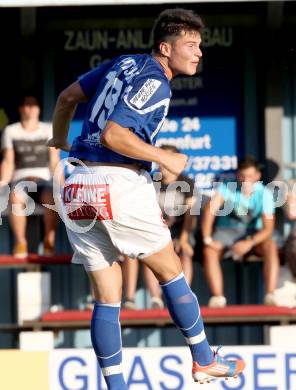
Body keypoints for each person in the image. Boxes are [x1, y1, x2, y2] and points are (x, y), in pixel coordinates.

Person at [48, 8, 245, 387]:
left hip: (75, 184)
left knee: (107, 295)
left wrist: (59, 138)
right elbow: (114, 136)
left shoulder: (122, 64)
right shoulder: (156, 80)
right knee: (171, 271)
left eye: (199, 45)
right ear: (164, 48)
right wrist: (164, 156)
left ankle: (116, 386)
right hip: (115, 181)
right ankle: (204, 359)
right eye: (191, 45)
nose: (199, 52)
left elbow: (66, 97)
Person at [123, 144, 196, 310]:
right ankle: (156, 299)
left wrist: (184, 239)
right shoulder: (150, 180)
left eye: (167, 161)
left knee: (185, 252)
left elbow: (191, 215)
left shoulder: (187, 183)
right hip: (154, 231)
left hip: (179, 232)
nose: (163, 166)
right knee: (150, 254)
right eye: (161, 161)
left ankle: (183, 297)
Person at [202, 155, 280, 308]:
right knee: (209, 250)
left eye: (250, 176)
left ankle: (270, 295)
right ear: (238, 175)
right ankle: (218, 298)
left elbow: (268, 229)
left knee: (271, 246)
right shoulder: (227, 187)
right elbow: (209, 210)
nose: (246, 180)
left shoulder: (265, 194)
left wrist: (248, 243)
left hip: (254, 234)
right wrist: (207, 239)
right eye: (243, 176)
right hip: (226, 232)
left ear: (257, 176)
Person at [0, 95, 61, 258]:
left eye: (34, 105)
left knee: (52, 196)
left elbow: (55, 160)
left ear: (39, 109)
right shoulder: (10, 131)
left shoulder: (48, 129)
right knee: (15, 196)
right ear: (21, 109)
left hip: (44, 180)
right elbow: (8, 162)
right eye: (27, 105)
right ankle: (21, 243)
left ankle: (49, 241)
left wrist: (61, 185)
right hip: (21, 180)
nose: (31, 108)